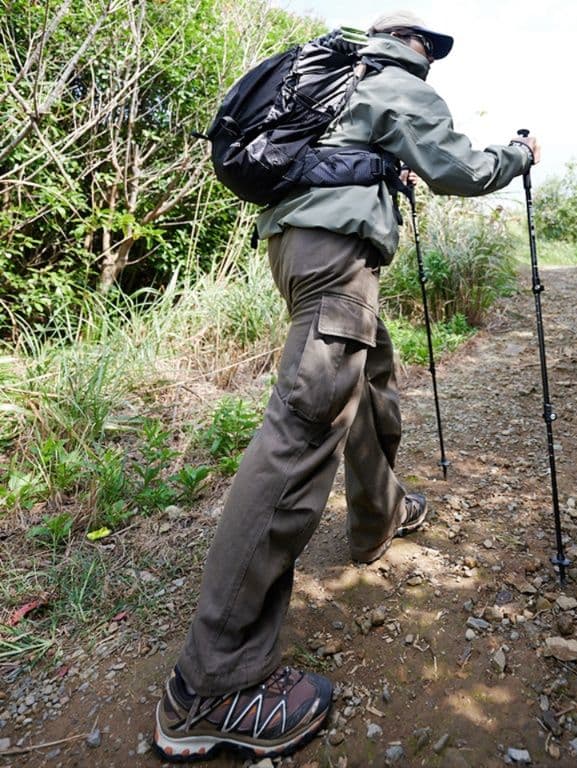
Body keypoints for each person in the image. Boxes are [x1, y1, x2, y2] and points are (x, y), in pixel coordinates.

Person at [153, 10, 540, 763]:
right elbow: (460, 169)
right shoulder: (395, 82)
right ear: (418, 47)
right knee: (302, 432)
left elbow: (336, 163)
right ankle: (212, 684)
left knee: (369, 379)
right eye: (432, 50)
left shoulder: (334, 84)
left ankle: (380, 514)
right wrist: (518, 153)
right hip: (335, 261)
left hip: (299, 251)